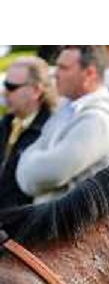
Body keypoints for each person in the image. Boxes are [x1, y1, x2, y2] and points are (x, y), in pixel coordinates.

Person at [15, 46, 109, 203]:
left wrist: (28, 164)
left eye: (63, 68)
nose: (55, 74)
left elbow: (39, 177)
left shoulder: (97, 122)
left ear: (89, 74)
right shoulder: (69, 107)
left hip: (80, 225)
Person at [0, 56, 57, 209]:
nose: (4, 92)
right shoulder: (6, 123)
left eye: (11, 87)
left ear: (36, 91)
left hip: (21, 224)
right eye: (5, 85)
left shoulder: (51, 131)